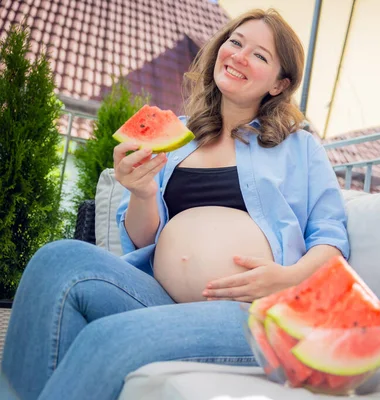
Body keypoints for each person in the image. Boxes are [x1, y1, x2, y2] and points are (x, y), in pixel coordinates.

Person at [0, 8, 349, 400]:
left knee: (106, 338)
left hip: (255, 312)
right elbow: (142, 239)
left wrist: (286, 278)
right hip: (159, 296)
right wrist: (143, 192)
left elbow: (332, 238)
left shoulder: (299, 147)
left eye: (260, 55)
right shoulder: (177, 138)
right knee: (56, 258)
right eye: (235, 42)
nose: (239, 55)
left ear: (278, 84)